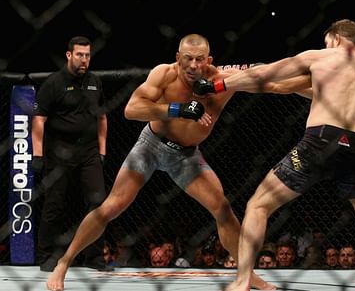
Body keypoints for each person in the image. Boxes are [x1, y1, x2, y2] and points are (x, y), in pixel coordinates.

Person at [45, 33, 308, 291]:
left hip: (185, 155)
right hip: (150, 145)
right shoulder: (164, 74)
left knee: (223, 208)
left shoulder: (222, 81)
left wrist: (317, 87)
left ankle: (247, 275)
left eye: (200, 59)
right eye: (188, 59)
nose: (194, 65)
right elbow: (131, 110)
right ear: (178, 58)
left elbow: (274, 83)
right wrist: (176, 109)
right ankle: (63, 263)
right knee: (112, 206)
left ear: (209, 59)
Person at [193, 19, 355, 291]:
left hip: (320, 141)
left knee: (258, 205)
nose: (325, 45)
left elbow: (269, 76)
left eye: (327, 41)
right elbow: (286, 87)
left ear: (336, 38)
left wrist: (217, 86)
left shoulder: (321, 56)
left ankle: (244, 280)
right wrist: (248, 78)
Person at [32, 36, 108, 272]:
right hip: (59, 152)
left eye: (87, 55)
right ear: (69, 55)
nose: (84, 59)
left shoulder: (95, 81)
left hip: (89, 152)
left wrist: (102, 150)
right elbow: (39, 120)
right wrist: (37, 155)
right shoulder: (54, 83)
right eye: (80, 55)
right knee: (54, 204)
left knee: (99, 203)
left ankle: (94, 257)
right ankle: (46, 255)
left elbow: (102, 118)